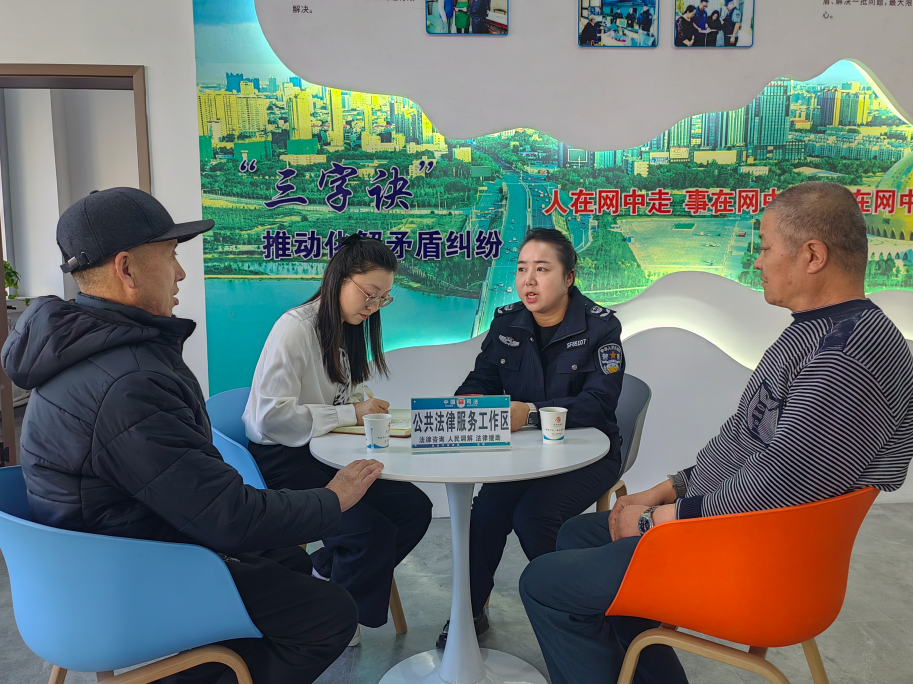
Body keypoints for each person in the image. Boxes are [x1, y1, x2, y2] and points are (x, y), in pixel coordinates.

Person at [519, 182, 913, 684]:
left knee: (544, 583)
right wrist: (666, 490)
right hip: (735, 537)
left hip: (753, 563)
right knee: (577, 534)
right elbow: (742, 440)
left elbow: (781, 485)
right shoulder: (818, 330)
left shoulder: (848, 357)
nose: (757, 261)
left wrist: (657, 521)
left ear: (812, 256)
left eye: (766, 248)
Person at [1, 187, 386, 684]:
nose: (181, 273)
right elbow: (228, 517)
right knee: (328, 614)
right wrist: (333, 499)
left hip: (98, 557)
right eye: (171, 256)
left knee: (288, 561)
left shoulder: (83, 351)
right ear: (126, 269)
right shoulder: (128, 383)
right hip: (128, 577)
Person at [437, 228, 625, 648]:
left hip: (588, 454)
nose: (529, 280)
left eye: (542, 269)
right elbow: (480, 381)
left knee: (533, 517)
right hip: (523, 454)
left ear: (569, 277)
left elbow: (599, 403)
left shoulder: (600, 327)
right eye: (522, 269)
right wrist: (469, 405)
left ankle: (578, 610)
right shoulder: (507, 321)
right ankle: (468, 611)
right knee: (485, 514)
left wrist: (532, 413)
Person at [244, 234, 433, 644]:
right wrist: (352, 413)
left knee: (415, 509)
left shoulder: (346, 326)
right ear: (341, 278)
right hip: (282, 458)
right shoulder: (295, 329)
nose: (374, 306)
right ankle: (338, 618)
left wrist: (361, 405)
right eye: (370, 294)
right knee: (369, 533)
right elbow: (270, 418)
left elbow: (340, 394)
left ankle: (325, 577)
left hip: (324, 453)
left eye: (383, 299)